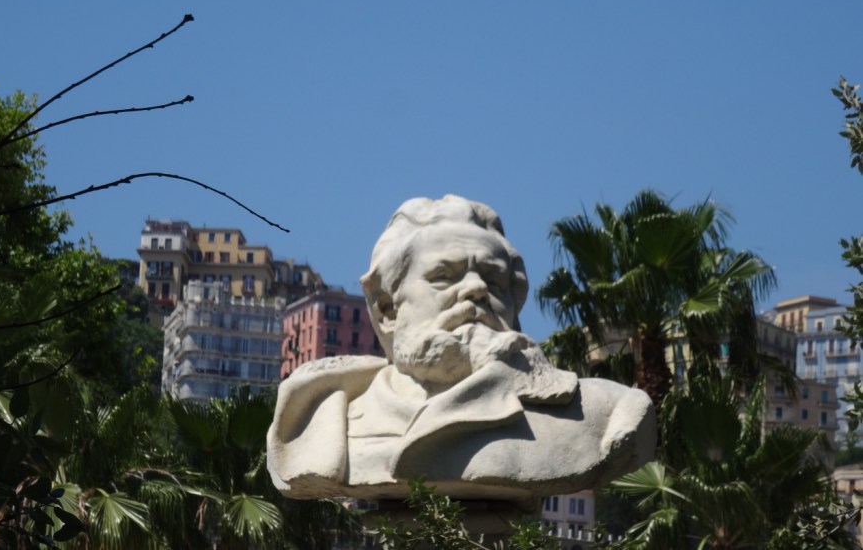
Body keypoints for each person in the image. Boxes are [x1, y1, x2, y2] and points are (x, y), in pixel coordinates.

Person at [267, 195, 655, 503]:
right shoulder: (323, 420)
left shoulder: (602, 413)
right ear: (387, 309)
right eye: (444, 276)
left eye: (494, 280)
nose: (476, 289)